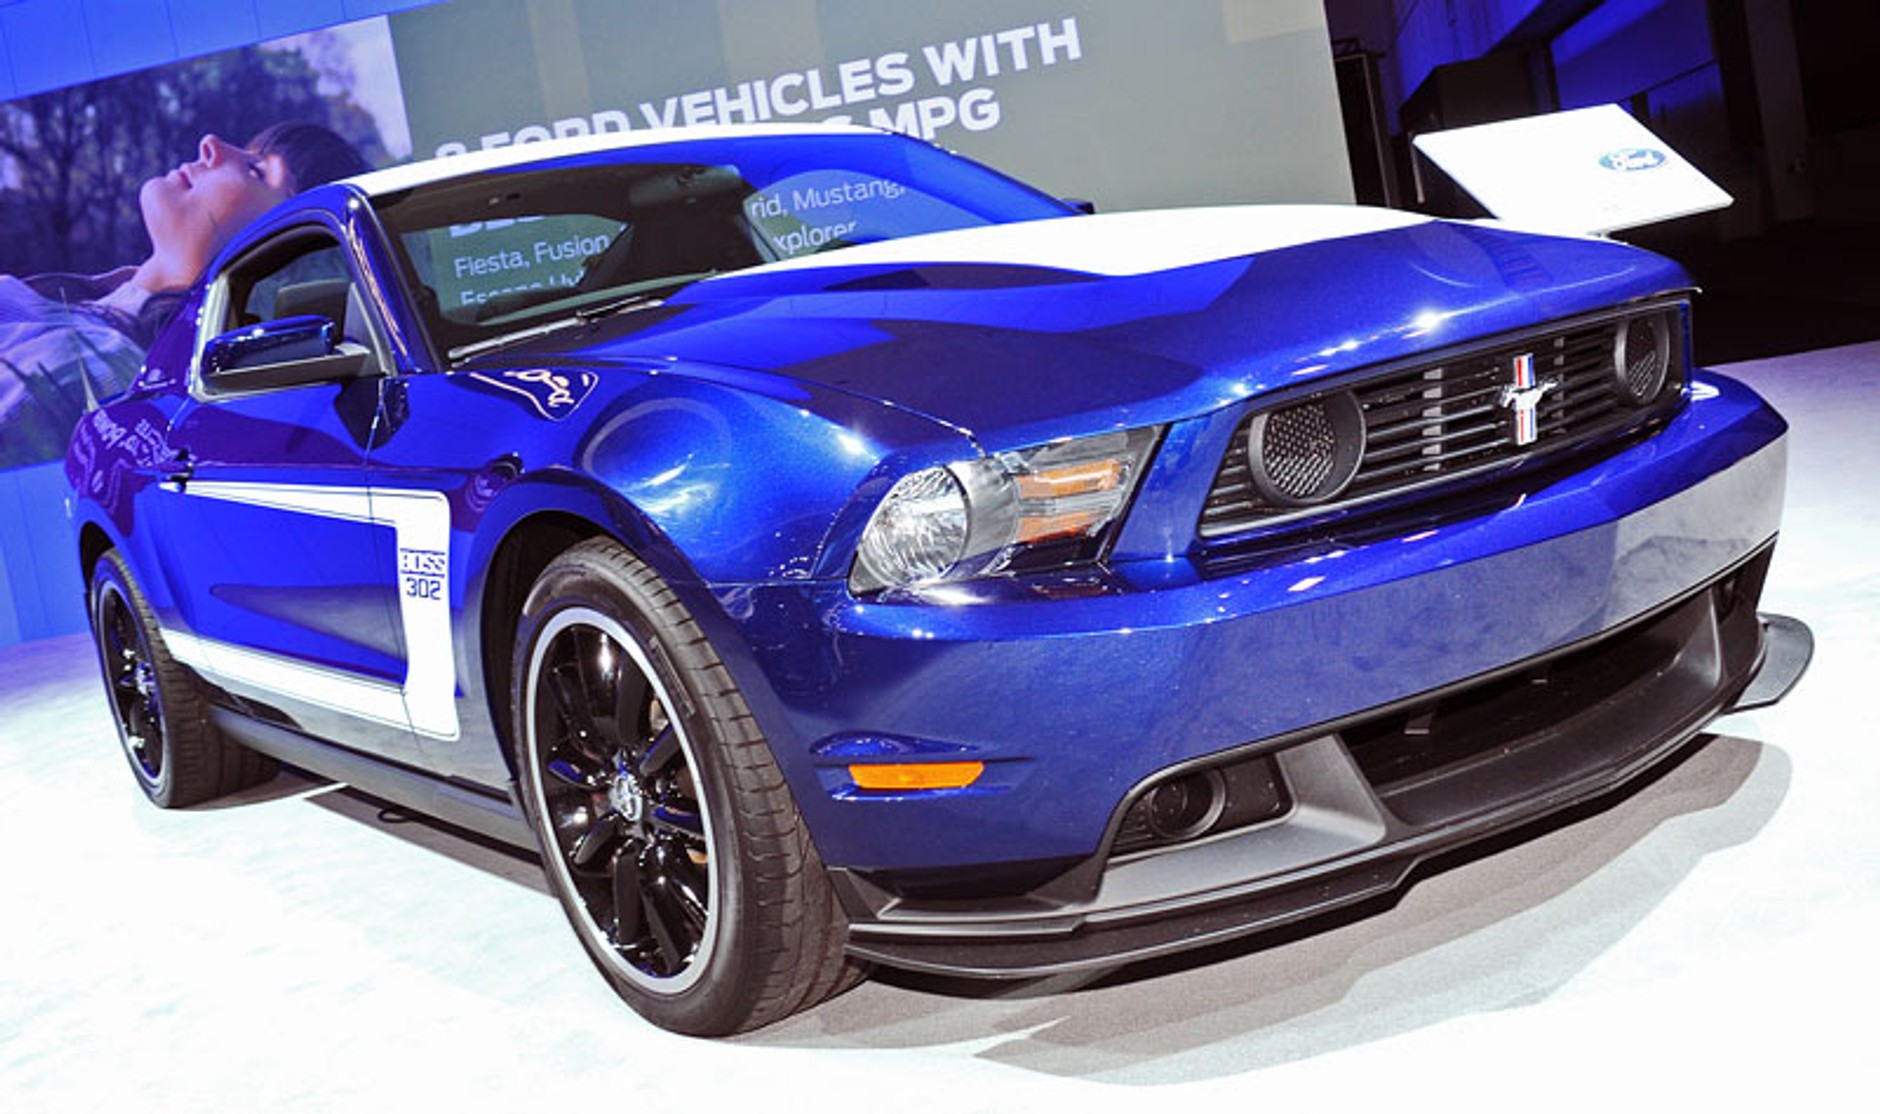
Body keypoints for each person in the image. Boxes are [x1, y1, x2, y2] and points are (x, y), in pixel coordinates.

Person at [1, 122, 369, 468]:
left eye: (256, 170)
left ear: (283, 262)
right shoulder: (77, 316)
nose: (211, 144)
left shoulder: (97, 378)